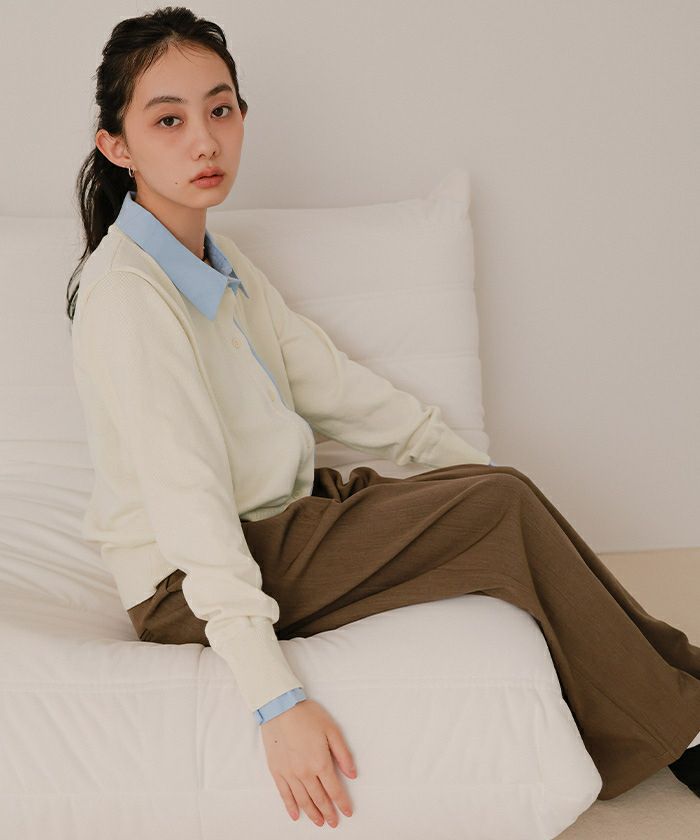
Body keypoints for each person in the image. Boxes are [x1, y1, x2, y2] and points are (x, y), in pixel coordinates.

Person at [67, 6, 700, 827]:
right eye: (168, 120)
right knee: (500, 506)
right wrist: (274, 699)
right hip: (192, 583)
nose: (204, 142)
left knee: (498, 492)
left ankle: (684, 682)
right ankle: (680, 728)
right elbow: (188, 499)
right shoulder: (128, 295)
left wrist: (457, 463)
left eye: (220, 110)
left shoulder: (217, 265)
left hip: (283, 521)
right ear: (116, 145)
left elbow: (334, 387)